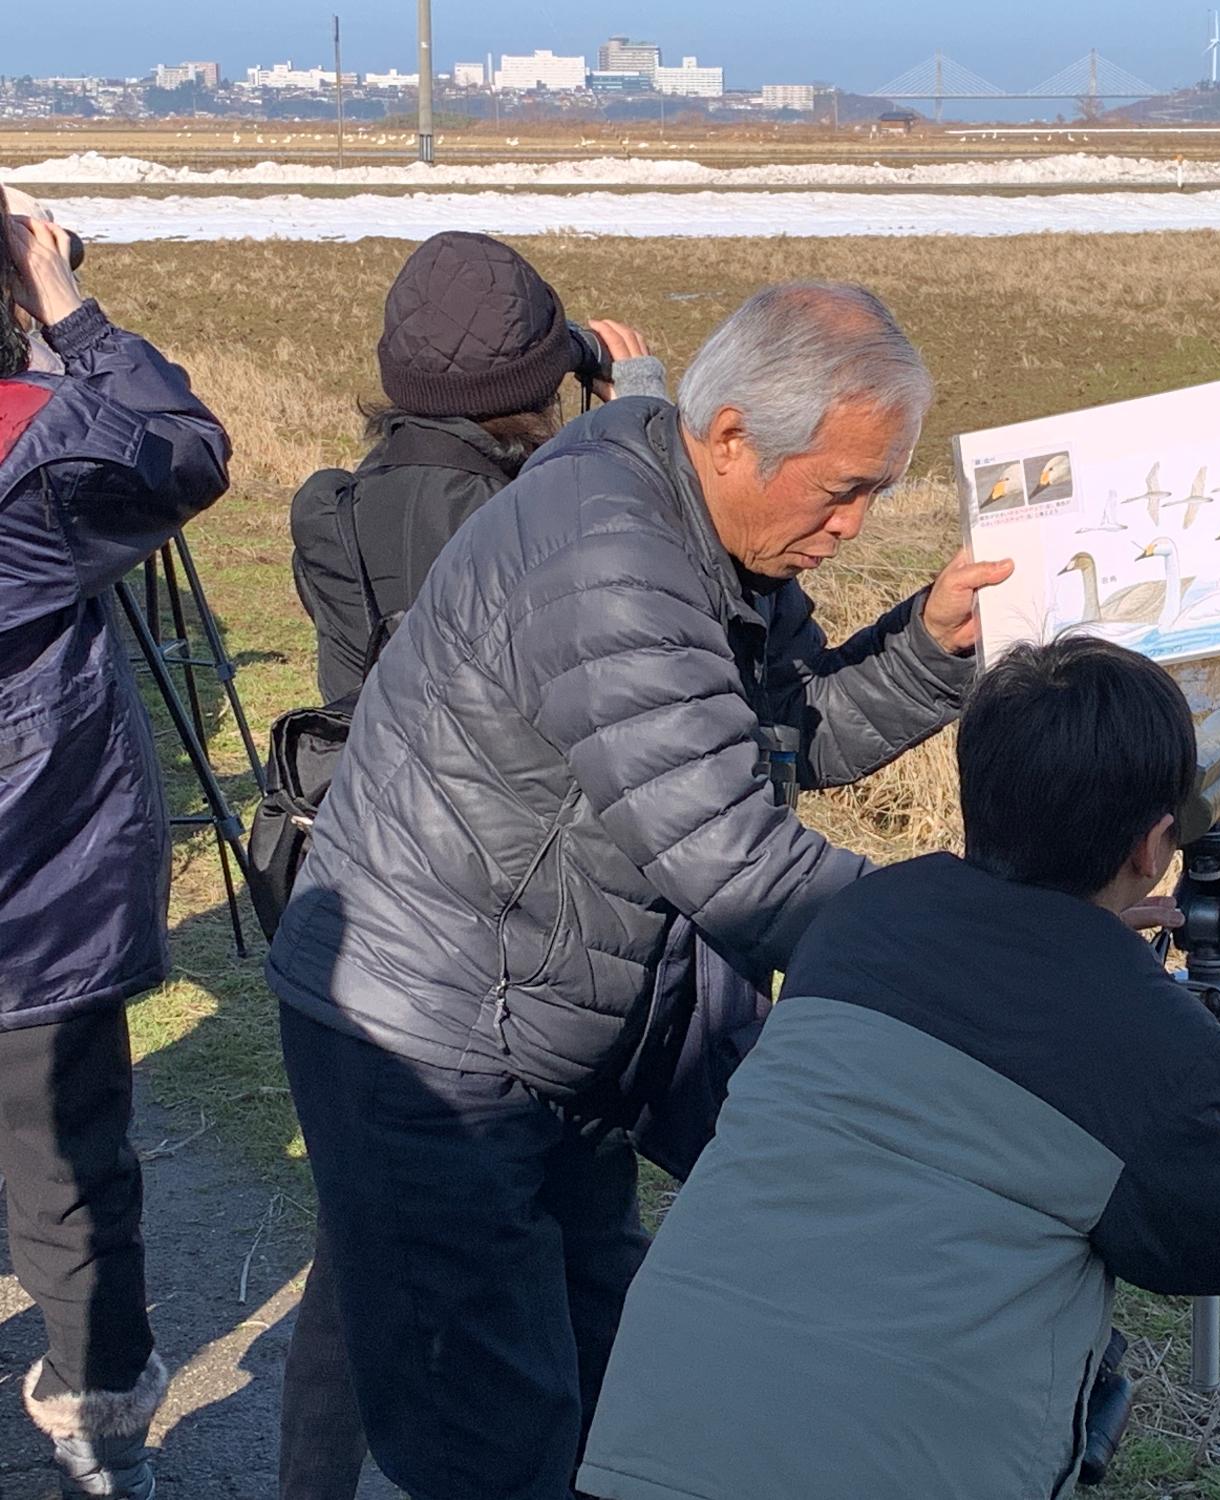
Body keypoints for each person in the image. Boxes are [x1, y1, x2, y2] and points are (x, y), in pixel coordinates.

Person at [264, 280, 1013, 1500]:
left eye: (877, 491)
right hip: (434, 1047)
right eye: (844, 489)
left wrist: (929, 647)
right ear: (728, 437)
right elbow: (732, 855)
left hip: (556, 1030)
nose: (858, 526)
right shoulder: (610, 551)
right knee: (492, 1439)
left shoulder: (683, 515)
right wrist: (989, 943)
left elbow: (777, 738)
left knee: (608, 1386)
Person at [579, 636, 1220, 1500]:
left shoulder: (858, 920)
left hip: (642, 1450)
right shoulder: (1151, 1044)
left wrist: (1072, 959)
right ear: (1156, 847)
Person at [279, 230, 667, 1500]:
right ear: (531, 387)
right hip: (494, 928)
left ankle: (316, 1477)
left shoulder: (337, 502)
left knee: (365, 1262)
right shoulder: (523, 524)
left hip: (363, 903)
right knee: (504, 1280)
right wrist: (633, 431)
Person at [0, 190, 232, 1497]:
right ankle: (103, 1431)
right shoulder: (39, 454)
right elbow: (180, 445)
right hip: (39, 908)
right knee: (70, 1178)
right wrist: (61, 300)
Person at [290, 229, 660, 705]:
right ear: (540, 386)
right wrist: (648, 435)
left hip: (363, 777)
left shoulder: (336, 515)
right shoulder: (549, 526)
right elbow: (667, 654)